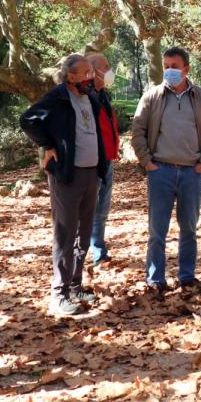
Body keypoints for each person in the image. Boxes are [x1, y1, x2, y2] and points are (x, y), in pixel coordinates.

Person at [130, 46, 201, 294]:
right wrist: (148, 163)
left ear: (186, 69)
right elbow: (137, 132)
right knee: (157, 231)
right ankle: (155, 279)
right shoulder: (151, 97)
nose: (170, 71)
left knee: (189, 229)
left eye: (174, 67)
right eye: (166, 67)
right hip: (161, 172)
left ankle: (187, 276)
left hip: (192, 173)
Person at [20, 54, 102, 316]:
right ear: (71, 77)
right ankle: (59, 295)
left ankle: (75, 285)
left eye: (92, 72)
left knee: (84, 232)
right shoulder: (58, 97)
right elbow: (28, 120)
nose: (91, 77)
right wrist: (49, 145)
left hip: (92, 173)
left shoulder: (90, 97)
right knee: (65, 234)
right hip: (68, 175)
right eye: (86, 73)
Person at [85, 53, 121, 265]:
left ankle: (99, 251)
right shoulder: (84, 96)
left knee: (102, 210)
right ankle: (82, 253)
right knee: (89, 210)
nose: (109, 70)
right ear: (93, 70)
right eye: (106, 66)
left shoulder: (103, 94)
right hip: (91, 162)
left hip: (107, 159)